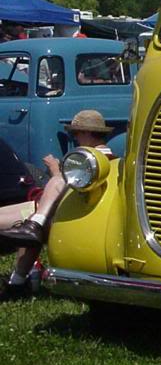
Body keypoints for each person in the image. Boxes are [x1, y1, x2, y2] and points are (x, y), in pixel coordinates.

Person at [0, 110, 113, 300]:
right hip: (62, 211)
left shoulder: (87, 160)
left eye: (76, 133)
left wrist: (54, 168)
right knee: (31, 231)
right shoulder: (113, 161)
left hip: (61, 213)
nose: (75, 138)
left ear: (86, 133)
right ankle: (18, 281)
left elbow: (66, 188)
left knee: (28, 226)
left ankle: (19, 279)